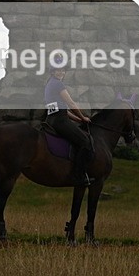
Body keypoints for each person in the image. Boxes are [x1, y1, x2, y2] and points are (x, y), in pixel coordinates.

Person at [44, 54, 94, 186]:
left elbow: (63, 109)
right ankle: (79, 176)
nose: (61, 72)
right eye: (58, 70)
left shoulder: (49, 83)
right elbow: (71, 104)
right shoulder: (58, 84)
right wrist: (83, 117)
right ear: (53, 71)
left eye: (63, 70)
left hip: (51, 119)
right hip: (60, 121)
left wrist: (79, 120)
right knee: (85, 141)